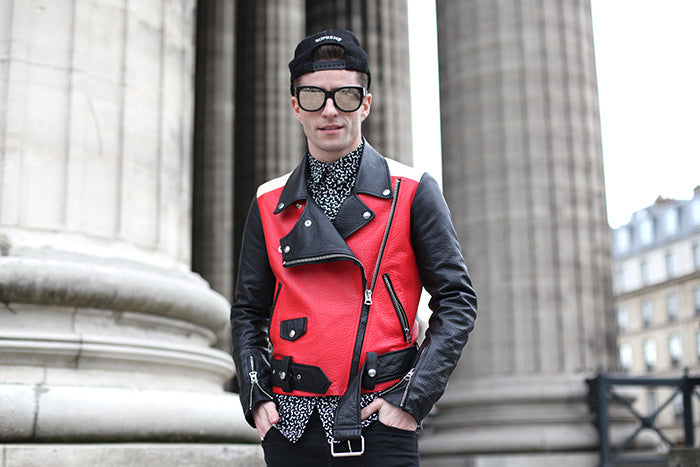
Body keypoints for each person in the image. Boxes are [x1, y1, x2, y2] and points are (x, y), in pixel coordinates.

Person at [231, 29, 477, 466]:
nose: (329, 110)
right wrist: (256, 396)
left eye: (345, 96)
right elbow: (249, 310)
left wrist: (411, 399)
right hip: (290, 427)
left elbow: (457, 300)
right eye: (313, 97)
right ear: (296, 107)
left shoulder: (412, 189)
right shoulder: (268, 200)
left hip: (378, 422)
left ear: (365, 104)